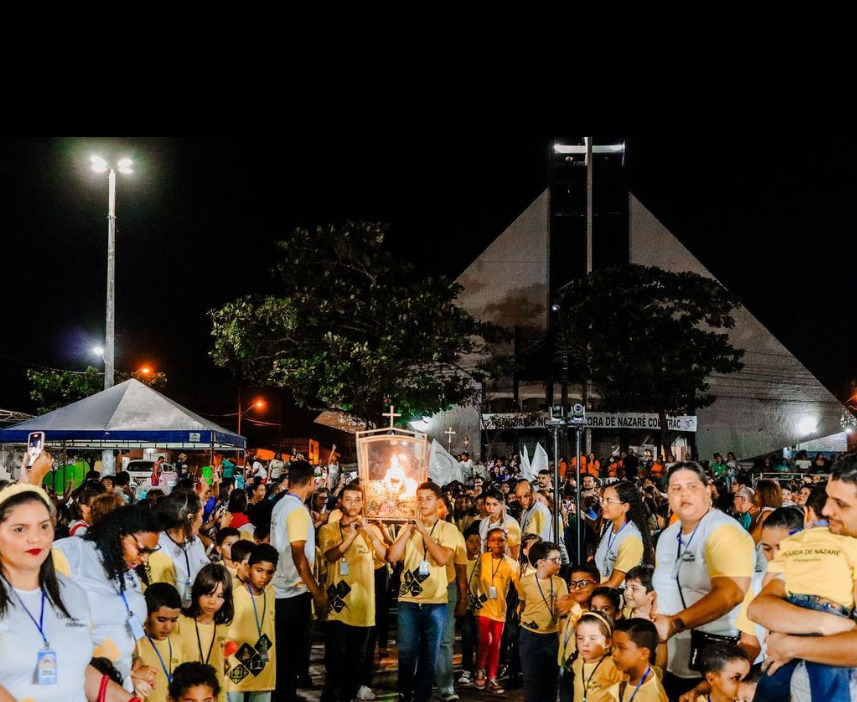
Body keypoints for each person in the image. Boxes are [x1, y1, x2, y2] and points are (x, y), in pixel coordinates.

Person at [650, 462, 754, 701]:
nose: (683, 494)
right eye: (675, 488)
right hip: (674, 661)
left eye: (691, 486)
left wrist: (676, 623)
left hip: (716, 666)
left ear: (709, 490)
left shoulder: (723, 530)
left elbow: (731, 593)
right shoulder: (668, 536)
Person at [0, 483, 97, 702]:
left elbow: (79, 669)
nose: (35, 538)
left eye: (43, 526)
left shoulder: (73, 594)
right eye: (19, 529)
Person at [53, 504, 163, 693]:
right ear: (120, 534)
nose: (144, 559)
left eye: (150, 553)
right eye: (141, 549)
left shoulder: (129, 570)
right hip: (78, 686)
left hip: (119, 686)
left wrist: (134, 667)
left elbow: (126, 628)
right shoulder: (69, 555)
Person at [387, 481, 458, 702]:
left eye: (428, 498)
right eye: (419, 498)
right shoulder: (408, 527)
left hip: (436, 601)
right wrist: (409, 530)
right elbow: (392, 556)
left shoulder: (448, 529)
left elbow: (442, 558)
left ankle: (422, 695)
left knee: (430, 653)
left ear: (438, 502)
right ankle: (404, 692)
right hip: (408, 599)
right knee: (407, 651)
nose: (423, 502)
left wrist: (425, 532)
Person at [317, 481, 387, 702]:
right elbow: (331, 556)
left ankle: (348, 695)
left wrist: (372, 531)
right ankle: (331, 694)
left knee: (356, 660)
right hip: (337, 604)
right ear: (340, 502)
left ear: (364, 502)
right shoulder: (328, 529)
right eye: (348, 499)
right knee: (335, 657)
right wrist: (352, 535)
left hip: (363, 606)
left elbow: (385, 556)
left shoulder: (370, 530)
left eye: (358, 499)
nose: (353, 504)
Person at [270, 460, 328, 702]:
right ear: (312, 482)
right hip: (292, 594)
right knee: (290, 656)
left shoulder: (281, 504)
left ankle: (283, 694)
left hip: (280, 590)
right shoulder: (296, 510)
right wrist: (317, 592)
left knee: (284, 656)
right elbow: (298, 554)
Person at [516, 541, 571, 702]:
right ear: (541, 563)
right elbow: (522, 604)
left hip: (552, 636)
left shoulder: (560, 583)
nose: (559, 563)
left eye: (559, 559)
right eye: (554, 560)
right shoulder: (525, 582)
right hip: (529, 635)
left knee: (551, 681)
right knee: (532, 680)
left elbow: (563, 610)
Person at [225, 544, 278, 702]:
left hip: (263, 666)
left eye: (270, 572)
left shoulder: (271, 593)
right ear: (248, 568)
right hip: (236, 663)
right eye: (259, 570)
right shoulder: (234, 594)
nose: (264, 577)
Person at [472, 528, 520, 693]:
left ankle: (492, 677)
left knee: (496, 644)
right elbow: (474, 579)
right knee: (486, 640)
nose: (498, 543)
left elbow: (520, 587)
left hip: (500, 610)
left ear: (507, 542)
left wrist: (523, 603)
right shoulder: (483, 559)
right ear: (488, 543)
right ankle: (479, 669)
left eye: (501, 540)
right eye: (494, 540)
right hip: (483, 608)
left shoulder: (512, 564)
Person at [175, 564, 233, 696]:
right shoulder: (180, 621)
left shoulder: (223, 626)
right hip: (185, 694)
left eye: (220, 596)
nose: (212, 602)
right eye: (208, 594)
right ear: (197, 592)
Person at [149, 490, 211, 607]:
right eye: (201, 516)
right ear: (190, 518)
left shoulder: (196, 542)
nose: (202, 521)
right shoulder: (159, 547)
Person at [593, 480, 654, 588]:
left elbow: (614, 583)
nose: (603, 505)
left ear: (625, 507)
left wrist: (585, 593)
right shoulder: (610, 527)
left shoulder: (631, 538)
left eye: (609, 501)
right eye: (602, 500)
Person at [135, 583, 184, 702]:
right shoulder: (136, 645)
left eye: (173, 620)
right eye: (161, 620)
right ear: (145, 615)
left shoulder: (178, 640)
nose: (168, 626)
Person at [610, 618, 668, 702]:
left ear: (644, 654)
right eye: (613, 647)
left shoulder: (650, 696)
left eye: (621, 648)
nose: (614, 653)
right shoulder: (639, 674)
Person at [571, 612, 623, 702]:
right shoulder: (577, 663)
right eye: (580, 638)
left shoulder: (612, 665)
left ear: (607, 643)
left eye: (592, 638)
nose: (585, 643)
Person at [458, 523, 482, 686]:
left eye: (477, 541)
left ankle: (480, 668)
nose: (475, 545)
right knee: (467, 636)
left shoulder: (485, 560)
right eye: (471, 541)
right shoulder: (460, 561)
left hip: (482, 606)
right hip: (467, 605)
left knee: (482, 638)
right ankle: (467, 667)